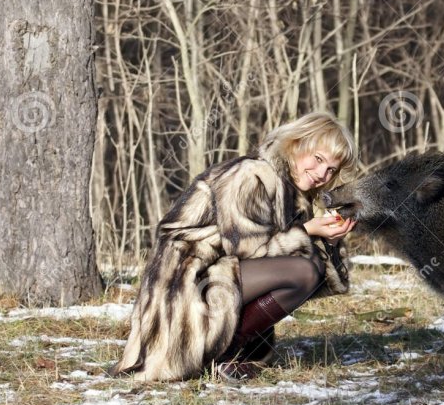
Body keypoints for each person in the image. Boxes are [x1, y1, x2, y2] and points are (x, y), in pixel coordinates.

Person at [112, 112, 357, 383]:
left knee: (309, 270)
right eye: (319, 159)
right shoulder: (252, 175)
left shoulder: (295, 195)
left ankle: (228, 350)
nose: (322, 174)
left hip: (219, 276)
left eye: (331, 169)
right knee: (303, 271)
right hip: (186, 286)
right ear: (295, 144)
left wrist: (331, 243)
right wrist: (308, 231)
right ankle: (222, 352)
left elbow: (318, 280)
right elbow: (251, 252)